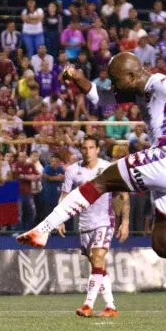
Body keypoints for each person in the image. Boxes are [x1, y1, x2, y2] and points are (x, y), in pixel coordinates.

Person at [17, 54, 166, 270]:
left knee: (102, 180)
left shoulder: (160, 84)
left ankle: (44, 228)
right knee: (163, 243)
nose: (112, 84)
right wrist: (75, 77)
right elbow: (100, 98)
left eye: (115, 79)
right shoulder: (136, 89)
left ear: (131, 75)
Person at [58, 136, 129, 318]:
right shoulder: (73, 171)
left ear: (97, 149)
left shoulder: (108, 169)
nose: (87, 151)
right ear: (80, 149)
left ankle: (88, 305)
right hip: (85, 223)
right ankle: (110, 307)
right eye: (84, 147)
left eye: (91, 147)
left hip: (105, 220)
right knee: (97, 264)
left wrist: (125, 222)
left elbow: (124, 195)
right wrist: (60, 219)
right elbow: (65, 196)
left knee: (97, 257)